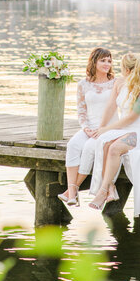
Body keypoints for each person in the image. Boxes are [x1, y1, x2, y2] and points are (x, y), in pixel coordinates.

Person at [89, 52, 140, 212]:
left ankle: (102, 191)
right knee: (104, 143)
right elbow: (111, 107)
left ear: (127, 69)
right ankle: (110, 189)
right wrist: (101, 128)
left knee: (114, 148)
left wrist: (108, 128)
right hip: (125, 129)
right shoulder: (119, 83)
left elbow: (132, 118)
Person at [58, 47, 117, 206]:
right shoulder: (83, 84)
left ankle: (72, 191)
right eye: (103, 60)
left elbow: (129, 103)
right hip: (90, 127)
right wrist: (85, 128)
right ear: (94, 62)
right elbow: (81, 110)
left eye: (109, 61)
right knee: (73, 145)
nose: (107, 64)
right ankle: (72, 192)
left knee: (89, 148)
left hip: (108, 128)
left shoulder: (115, 83)